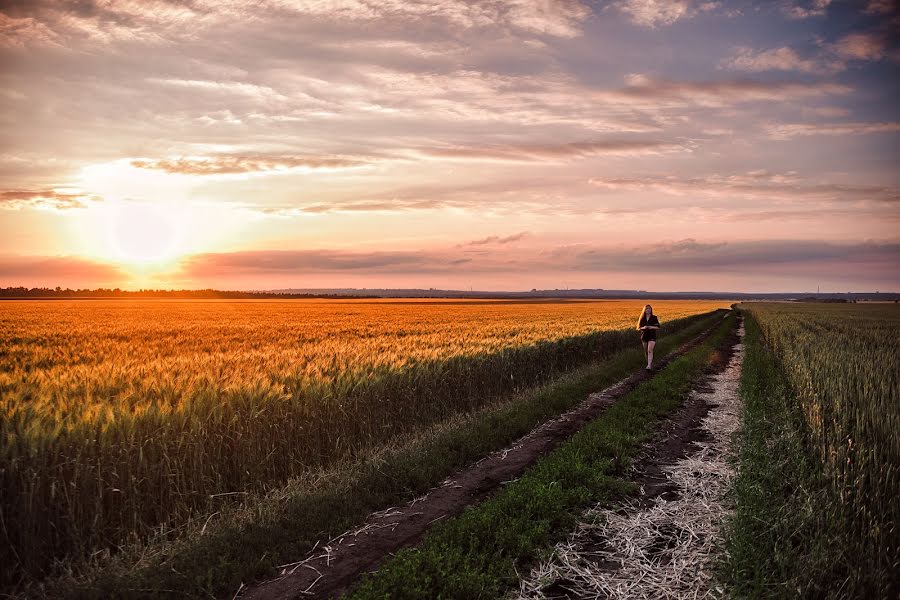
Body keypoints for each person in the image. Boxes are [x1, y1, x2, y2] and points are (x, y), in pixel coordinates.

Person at [637, 304, 660, 371]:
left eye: (649, 309)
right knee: (646, 351)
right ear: (644, 310)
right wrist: (643, 327)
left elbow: (658, 327)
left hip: (652, 335)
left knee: (650, 350)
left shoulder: (654, 317)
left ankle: (649, 365)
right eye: (647, 309)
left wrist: (651, 327)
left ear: (651, 310)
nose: (648, 310)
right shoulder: (642, 318)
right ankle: (648, 363)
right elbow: (638, 328)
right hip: (644, 336)